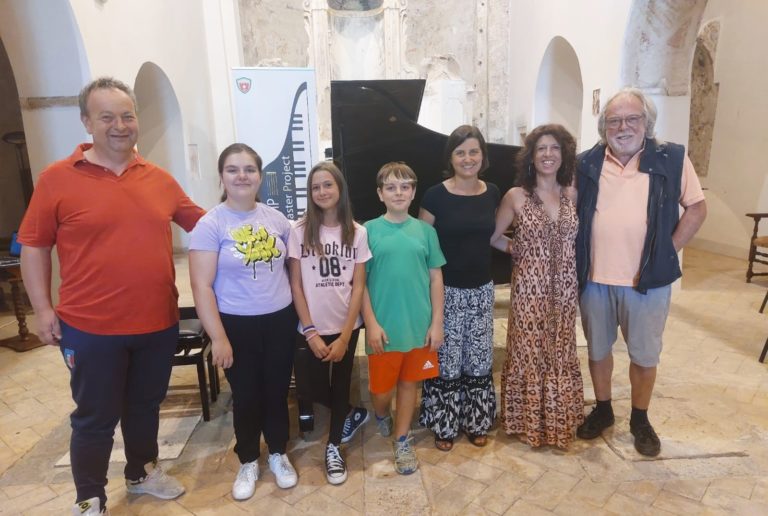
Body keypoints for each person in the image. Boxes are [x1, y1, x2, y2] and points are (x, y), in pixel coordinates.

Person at [18, 77, 204, 516]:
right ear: (87, 122)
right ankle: (90, 497)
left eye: (127, 116)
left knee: (145, 406)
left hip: (157, 323)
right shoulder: (56, 179)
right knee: (95, 416)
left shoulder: (159, 179)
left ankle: (141, 473)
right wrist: (42, 308)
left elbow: (206, 225)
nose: (119, 126)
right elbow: (34, 246)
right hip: (90, 328)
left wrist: (269, 225)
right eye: (107, 117)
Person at [575, 87, 707, 456]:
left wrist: (666, 251)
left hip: (646, 282)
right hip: (594, 280)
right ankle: (603, 409)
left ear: (646, 123)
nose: (623, 127)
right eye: (614, 121)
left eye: (632, 119)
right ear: (603, 127)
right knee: (597, 350)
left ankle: (640, 418)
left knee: (645, 355)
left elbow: (697, 208)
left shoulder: (672, 158)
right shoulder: (586, 163)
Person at [189, 143, 299, 500]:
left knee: (277, 391)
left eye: (249, 169)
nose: (242, 176)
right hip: (236, 324)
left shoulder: (276, 220)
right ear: (222, 176)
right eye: (233, 169)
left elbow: (293, 270)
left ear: (260, 176)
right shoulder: (210, 224)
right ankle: (249, 458)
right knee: (247, 395)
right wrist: (218, 337)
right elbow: (201, 286)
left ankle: (278, 453)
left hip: (279, 319)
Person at [491, 124, 584, 449]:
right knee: (529, 353)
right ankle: (526, 421)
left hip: (565, 291)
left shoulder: (571, 193)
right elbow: (494, 236)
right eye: (541, 148)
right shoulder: (516, 196)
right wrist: (516, 248)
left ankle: (558, 420)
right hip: (529, 292)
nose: (548, 154)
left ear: (564, 154)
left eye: (555, 148)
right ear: (531, 156)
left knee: (560, 351)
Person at [287, 161, 372, 485]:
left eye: (327, 185)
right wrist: (310, 331)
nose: (322, 191)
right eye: (315, 187)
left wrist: (346, 336)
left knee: (340, 386)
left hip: (346, 326)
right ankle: (352, 413)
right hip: (310, 328)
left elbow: (358, 287)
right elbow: (296, 284)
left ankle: (334, 446)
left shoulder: (357, 232)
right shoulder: (299, 230)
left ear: (340, 189)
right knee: (311, 387)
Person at [417, 125, 500, 451]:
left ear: (483, 155)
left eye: (474, 151)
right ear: (450, 158)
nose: (468, 158)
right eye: (460, 152)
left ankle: (476, 421)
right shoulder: (435, 195)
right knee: (448, 359)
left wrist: (522, 248)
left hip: (481, 290)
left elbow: (492, 237)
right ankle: (445, 424)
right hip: (446, 291)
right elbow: (422, 246)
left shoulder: (492, 191)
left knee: (479, 358)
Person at [362, 162, 445, 474]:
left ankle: (401, 440)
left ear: (413, 192)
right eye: (391, 187)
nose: (398, 192)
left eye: (405, 186)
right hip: (383, 328)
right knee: (381, 390)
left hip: (418, 325)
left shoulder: (426, 232)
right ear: (380, 194)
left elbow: (435, 278)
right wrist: (371, 323)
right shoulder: (367, 231)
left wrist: (436, 322)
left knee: (409, 384)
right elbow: (360, 284)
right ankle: (382, 413)